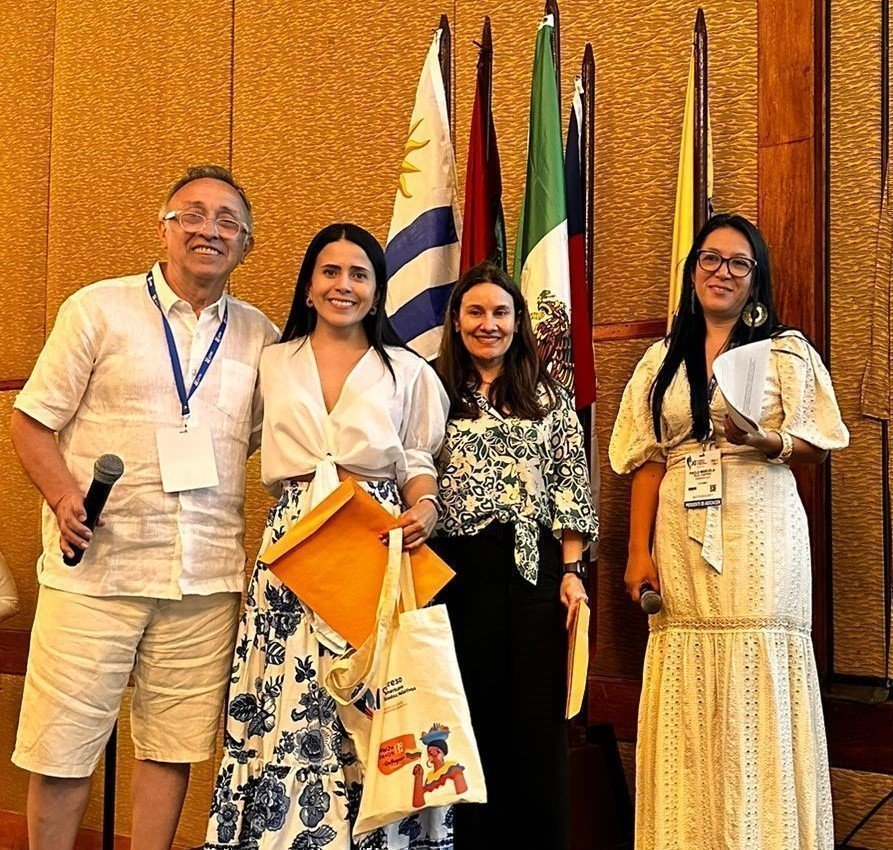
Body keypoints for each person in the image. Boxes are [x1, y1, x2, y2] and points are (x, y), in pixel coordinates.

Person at [10, 164, 278, 850]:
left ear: (245, 245)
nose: (208, 230)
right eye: (192, 215)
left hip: (205, 575)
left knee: (173, 744)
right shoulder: (97, 309)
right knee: (62, 746)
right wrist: (65, 495)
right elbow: (32, 422)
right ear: (164, 228)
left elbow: (264, 446)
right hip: (96, 568)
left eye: (227, 221)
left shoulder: (262, 337)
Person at [205, 223, 452, 850]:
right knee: (288, 696)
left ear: (377, 290)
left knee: (373, 698)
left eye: (359, 274)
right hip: (292, 545)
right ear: (309, 287)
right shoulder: (268, 362)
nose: (344, 285)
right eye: (331, 272)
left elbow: (418, 461)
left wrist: (424, 510)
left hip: (374, 539)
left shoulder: (408, 371)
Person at [609, 213, 849, 850]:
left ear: (756, 282)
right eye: (711, 259)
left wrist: (762, 437)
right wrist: (638, 554)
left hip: (760, 524)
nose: (722, 272)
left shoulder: (786, 353)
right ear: (693, 273)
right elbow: (645, 459)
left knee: (759, 667)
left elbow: (818, 449)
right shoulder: (660, 359)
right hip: (678, 528)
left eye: (738, 263)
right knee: (685, 665)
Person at [429, 262, 597, 850]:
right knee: (465, 720)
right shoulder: (431, 390)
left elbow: (570, 485)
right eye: (475, 312)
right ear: (455, 321)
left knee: (533, 725)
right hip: (454, 572)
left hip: (534, 570)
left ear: (519, 322)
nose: (488, 324)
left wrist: (573, 572)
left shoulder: (547, 395)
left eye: (501, 312)